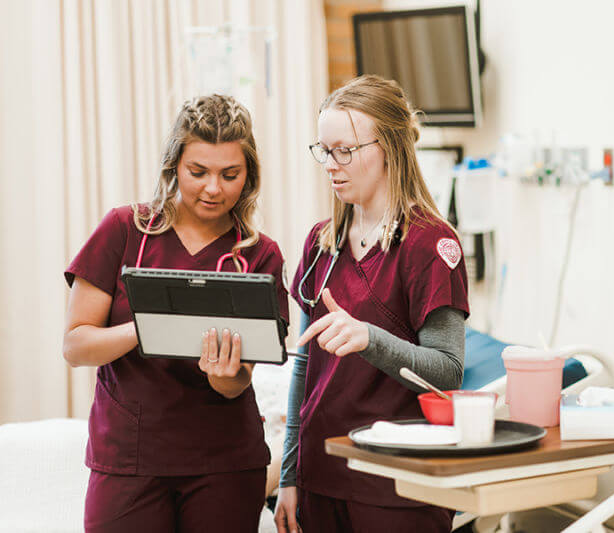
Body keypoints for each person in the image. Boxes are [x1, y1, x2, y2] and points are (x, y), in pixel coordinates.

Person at [62, 94, 289, 532]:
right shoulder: (125, 230)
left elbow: (236, 382)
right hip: (130, 458)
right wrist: (153, 326)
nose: (213, 188)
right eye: (197, 172)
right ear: (174, 167)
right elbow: (76, 346)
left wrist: (223, 372)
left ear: (249, 176)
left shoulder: (259, 256)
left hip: (224, 463)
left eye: (230, 174)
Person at [274, 75, 469, 533]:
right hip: (322, 471)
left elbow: (446, 371)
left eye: (346, 149)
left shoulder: (430, 244)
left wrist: (370, 339)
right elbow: (305, 367)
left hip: (398, 482)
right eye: (325, 151)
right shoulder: (322, 243)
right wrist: (289, 474)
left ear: (390, 147)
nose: (332, 164)